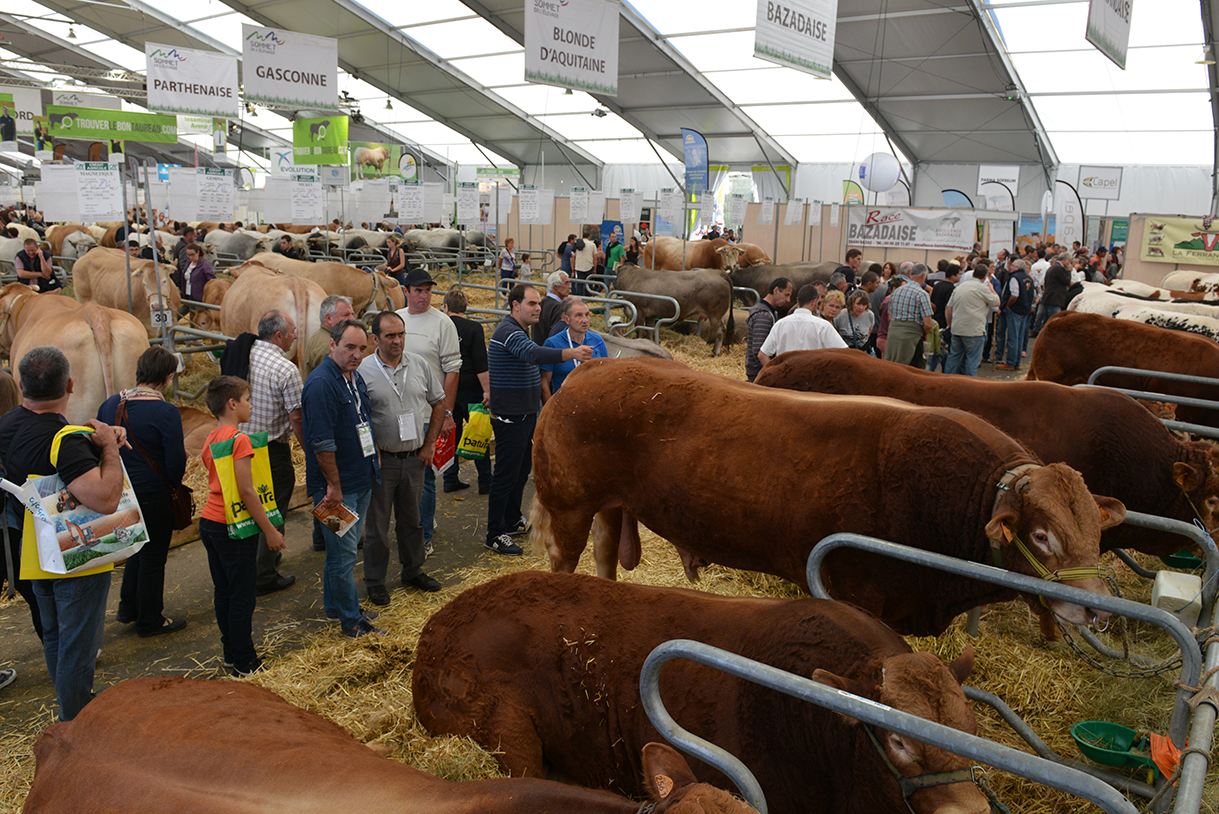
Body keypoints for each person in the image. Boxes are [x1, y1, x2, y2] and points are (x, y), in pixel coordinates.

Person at [0, 346, 128, 720]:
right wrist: (108, 449)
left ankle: (70, 701)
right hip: (76, 552)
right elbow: (104, 498)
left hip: (35, 547)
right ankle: (74, 719)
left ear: (21, 384)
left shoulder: (6, 424)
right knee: (78, 645)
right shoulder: (66, 440)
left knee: (55, 634)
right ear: (70, 384)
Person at [485, 284, 593, 555]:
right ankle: (494, 533)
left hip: (525, 414)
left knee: (520, 472)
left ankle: (510, 519)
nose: (538, 309)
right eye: (532, 304)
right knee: (505, 476)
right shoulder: (508, 331)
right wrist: (571, 353)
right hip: (511, 417)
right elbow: (533, 354)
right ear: (515, 305)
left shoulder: (518, 330)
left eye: (539, 304)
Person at [302, 320, 385, 638]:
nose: (356, 354)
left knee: (341, 551)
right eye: (349, 347)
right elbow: (321, 443)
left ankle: (336, 607)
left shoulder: (351, 376)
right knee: (344, 554)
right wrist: (333, 488)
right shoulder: (322, 384)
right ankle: (352, 622)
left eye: (362, 348)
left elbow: (363, 420)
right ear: (332, 345)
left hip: (360, 477)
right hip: (337, 489)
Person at [96, 347, 187, 637]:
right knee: (153, 557)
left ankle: (128, 607)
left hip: (120, 490)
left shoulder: (110, 404)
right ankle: (150, 619)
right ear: (168, 377)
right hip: (152, 492)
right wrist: (173, 485)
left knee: (134, 547)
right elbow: (175, 461)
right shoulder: (166, 411)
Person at [198, 376, 284, 677]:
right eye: (247, 399)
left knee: (224, 592)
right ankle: (246, 661)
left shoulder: (212, 437)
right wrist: (270, 531)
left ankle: (231, 655)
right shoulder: (240, 439)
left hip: (209, 521)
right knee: (242, 597)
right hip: (232, 526)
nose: (251, 404)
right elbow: (247, 491)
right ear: (232, 404)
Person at [358, 311, 446, 605]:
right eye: (390, 336)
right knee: (377, 528)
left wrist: (430, 443)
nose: (397, 341)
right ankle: (375, 581)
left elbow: (438, 402)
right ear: (375, 339)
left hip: (414, 459)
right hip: (381, 462)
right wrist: (372, 453)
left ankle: (413, 570)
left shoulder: (419, 364)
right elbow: (358, 418)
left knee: (413, 521)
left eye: (401, 334)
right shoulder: (363, 370)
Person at [395, 269, 460, 556]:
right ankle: (408, 527)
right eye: (418, 291)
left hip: (427, 414)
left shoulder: (443, 323)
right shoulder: (397, 319)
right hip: (399, 413)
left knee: (425, 475)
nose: (424, 296)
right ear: (406, 291)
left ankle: (425, 535)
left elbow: (452, 370)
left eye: (428, 291)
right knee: (399, 475)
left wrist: (446, 413)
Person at [240, 311, 302, 596]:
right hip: (271, 449)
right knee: (273, 506)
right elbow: (297, 417)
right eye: (292, 331)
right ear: (279, 336)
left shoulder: (244, 352)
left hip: (239, 446)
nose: (295, 336)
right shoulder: (286, 369)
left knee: (248, 507)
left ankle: (252, 563)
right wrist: (309, 450)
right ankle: (264, 572)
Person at [441, 289, 491, 495]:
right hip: (472, 388)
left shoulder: (441, 327)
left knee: (451, 434)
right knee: (478, 434)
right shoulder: (474, 327)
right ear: (465, 308)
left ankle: (450, 478)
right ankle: (486, 480)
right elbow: (481, 362)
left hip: (448, 389)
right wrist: (487, 390)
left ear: (445, 307)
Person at [757, 285, 848, 365]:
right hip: (812, 378)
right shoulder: (823, 326)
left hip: (784, 378)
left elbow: (762, 355)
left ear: (797, 300)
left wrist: (774, 374)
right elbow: (845, 352)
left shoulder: (780, 324)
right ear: (814, 302)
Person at [541, 297, 609, 400]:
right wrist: (550, 410)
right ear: (566, 319)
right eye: (579, 316)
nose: (585, 320)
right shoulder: (552, 343)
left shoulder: (597, 340)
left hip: (593, 404)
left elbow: (607, 372)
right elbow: (544, 382)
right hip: (564, 405)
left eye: (587, 315)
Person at [944, 260, 1000, 376]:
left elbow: (948, 307)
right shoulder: (982, 288)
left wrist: (949, 324)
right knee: (972, 360)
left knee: (954, 357)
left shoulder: (959, 287)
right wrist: (992, 289)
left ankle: (947, 379)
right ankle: (970, 384)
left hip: (957, 328)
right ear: (985, 276)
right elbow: (996, 302)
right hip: (974, 330)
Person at [883, 263, 933, 367]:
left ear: (910, 274)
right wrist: (925, 334)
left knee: (891, 367)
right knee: (909, 371)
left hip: (893, 336)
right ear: (923, 276)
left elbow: (890, 317)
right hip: (911, 338)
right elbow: (928, 324)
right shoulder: (922, 294)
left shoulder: (897, 291)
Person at [745, 277, 793, 383]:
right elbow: (758, 350)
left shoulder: (769, 312)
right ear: (776, 290)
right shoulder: (763, 315)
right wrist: (774, 373)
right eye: (786, 295)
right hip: (760, 372)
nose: (788, 300)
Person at [304, 295, 356, 382]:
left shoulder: (322, 336)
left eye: (352, 314)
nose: (352, 319)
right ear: (329, 318)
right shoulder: (329, 347)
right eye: (346, 315)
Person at [996, 259, 1034, 371]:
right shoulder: (1028, 277)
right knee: (1020, 337)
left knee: (1013, 337)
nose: (1010, 267)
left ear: (1017, 267)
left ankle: (1010, 363)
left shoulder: (1014, 278)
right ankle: (1016, 362)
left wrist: (1007, 305)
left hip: (1015, 310)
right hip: (1025, 310)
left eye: (1012, 265)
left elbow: (1014, 294)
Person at [927, 264, 960, 372]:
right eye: (959, 274)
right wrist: (949, 324)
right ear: (953, 275)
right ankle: (945, 374)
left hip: (935, 319)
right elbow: (948, 307)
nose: (960, 277)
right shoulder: (951, 289)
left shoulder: (937, 285)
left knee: (934, 352)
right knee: (943, 353)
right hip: (943, 323)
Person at [533, 271, 570, 343]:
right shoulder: (558, 307)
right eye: (566, 283)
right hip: (551, 350)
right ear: (555, 286)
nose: (570, 286)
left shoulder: (541, 303)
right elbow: (558, 336)